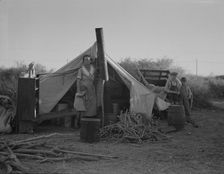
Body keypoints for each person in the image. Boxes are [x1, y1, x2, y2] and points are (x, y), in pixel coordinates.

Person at [73, 55, 97, 128]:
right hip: (83, 89)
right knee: (82, 106)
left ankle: (90, 120)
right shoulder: (81, 70)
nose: (87, 61)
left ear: (90, 61)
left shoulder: (94, 69)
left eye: (88, 59)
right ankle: (80, 123)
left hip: (91, 88)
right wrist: (78, 91)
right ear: (83, 61)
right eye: (85, 60)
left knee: (92, 104)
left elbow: (95, 79)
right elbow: (78, 80)